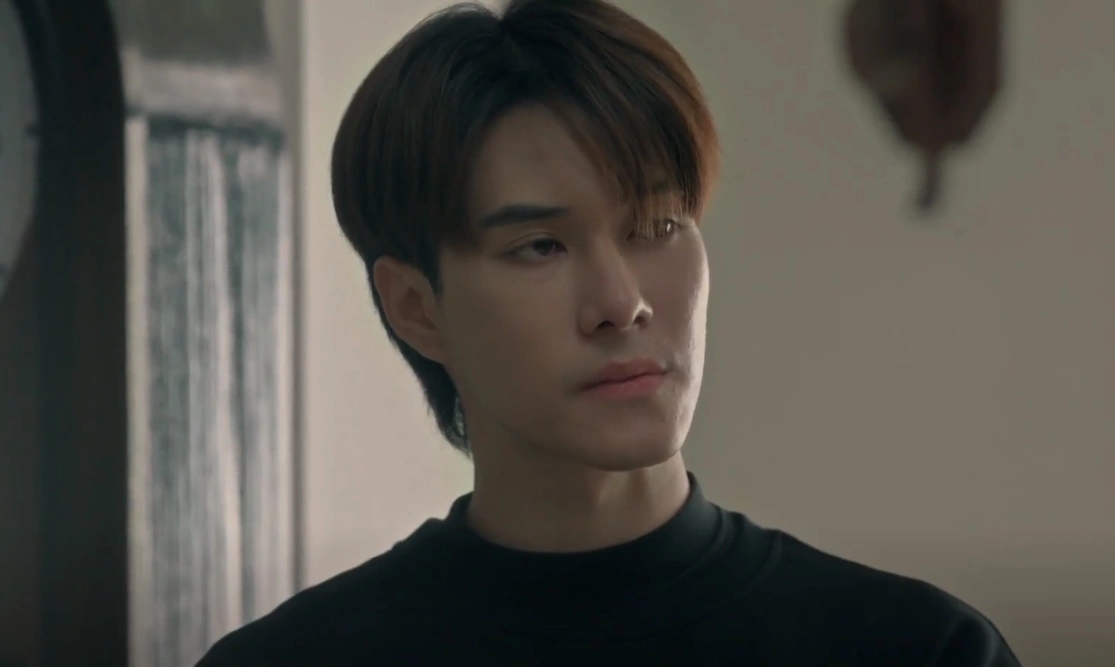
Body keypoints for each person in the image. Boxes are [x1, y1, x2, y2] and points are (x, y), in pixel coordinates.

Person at [197, 0, 1021, 664]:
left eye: (656, 226)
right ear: (415, 306)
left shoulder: (916, 649)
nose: (620, 303)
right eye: (541, 246)